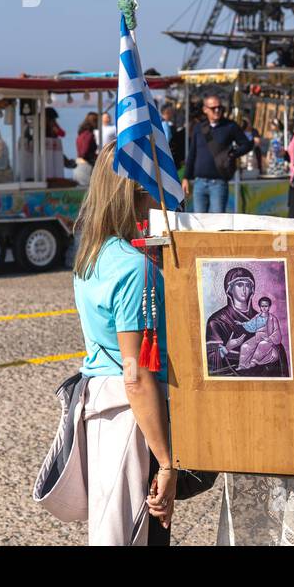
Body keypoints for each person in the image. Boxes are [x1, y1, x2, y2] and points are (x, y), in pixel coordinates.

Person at [71, 141, 173, 545]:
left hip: (101, 406)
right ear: (135, 193)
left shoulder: (92, 254)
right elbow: (137, 371)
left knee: (111, 530)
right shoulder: (133, 269)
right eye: (154, 187)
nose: (160, 197)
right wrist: (166, 463)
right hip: (134, 415)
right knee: (136, 535)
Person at [183, 95, 252, 214]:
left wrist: (232, 154)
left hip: (218, 183)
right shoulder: (199, 128)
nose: (217, 110)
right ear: (205, 109)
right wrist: (186, 178)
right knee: (199, 223)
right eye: (213, 108)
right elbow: (192, 153)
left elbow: (247, 145)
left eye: (220, 108)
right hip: (199, 182)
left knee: (217, 223)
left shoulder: (230, 126)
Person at [74, 113, 100, 186]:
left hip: (79, 164)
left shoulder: (82, 134)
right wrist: (95, 158)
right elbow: (84, 152)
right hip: (86, 165)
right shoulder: (88, 135)